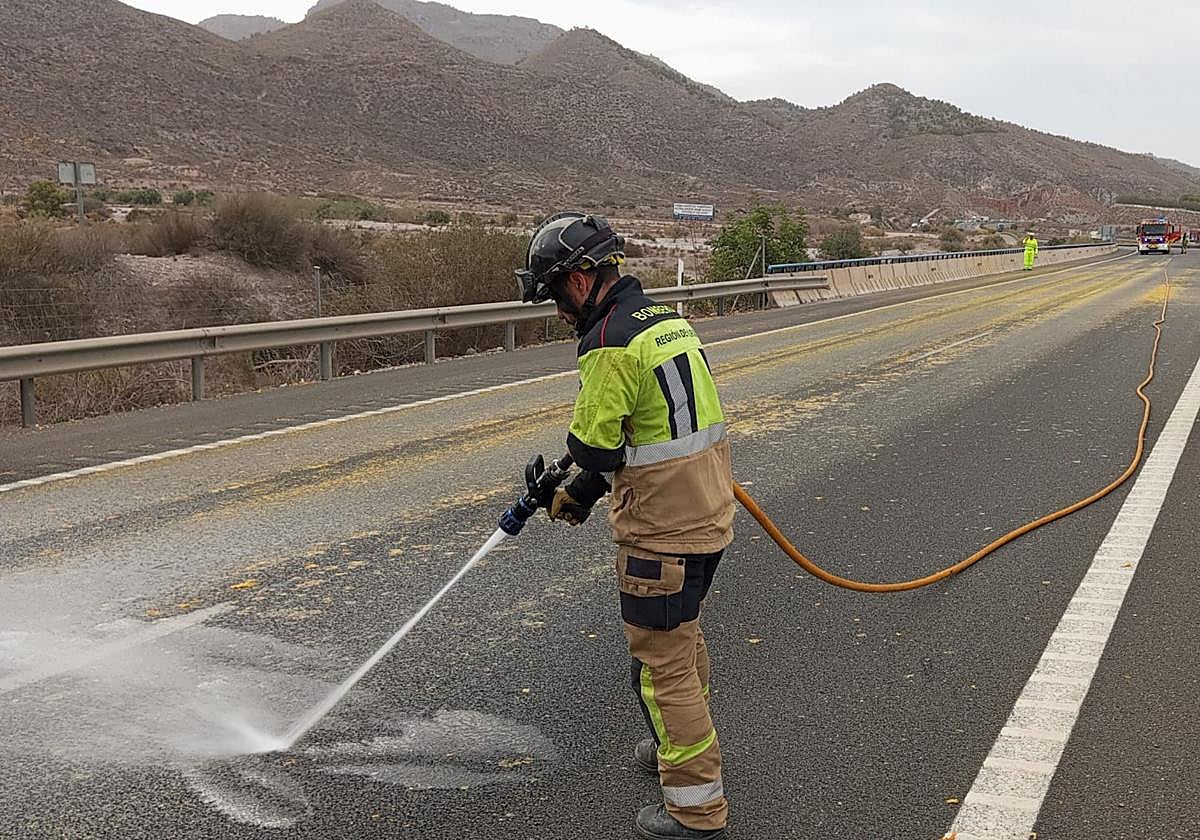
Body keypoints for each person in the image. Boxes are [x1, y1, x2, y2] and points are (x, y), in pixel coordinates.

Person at [516, 212, 735, 840]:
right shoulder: (665, 321)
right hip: (706, 513)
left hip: (662, 529)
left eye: (555, 293)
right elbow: (649, 428)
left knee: (662, 662)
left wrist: (567, 484)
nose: (557, 310)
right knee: (683, 640)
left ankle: (696, 811)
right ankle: (679, 752)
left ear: (581, 280)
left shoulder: (608, 341)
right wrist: (581, 491)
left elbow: (594, 445)